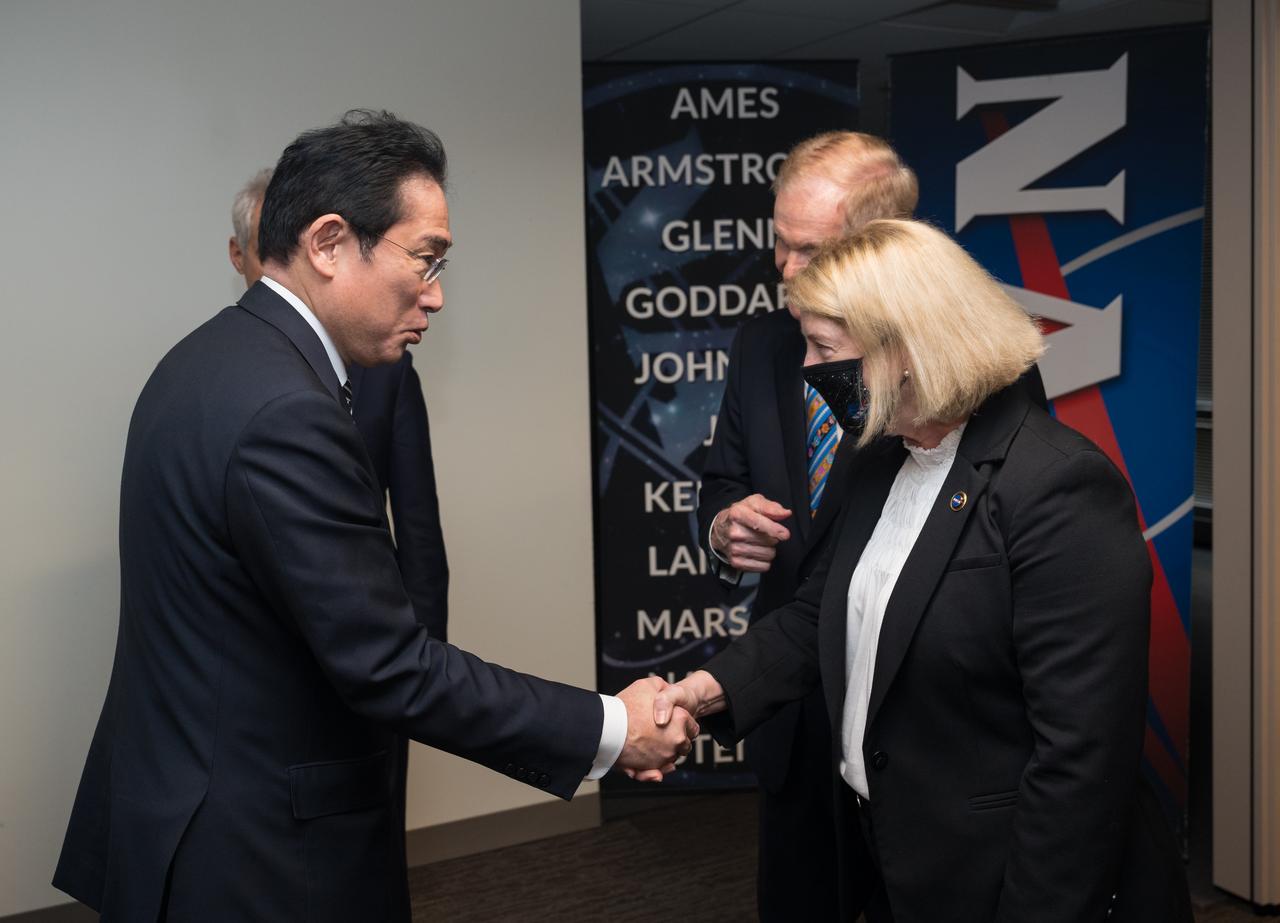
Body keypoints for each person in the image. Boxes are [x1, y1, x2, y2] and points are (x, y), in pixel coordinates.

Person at [52, 110, 697, 923]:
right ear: (329, 243)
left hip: (179, 810)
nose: (436, 293)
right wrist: (610, 725)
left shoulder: (200, 361)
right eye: (425, 259)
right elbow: (389, 664)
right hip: (258, 851)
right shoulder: (288, 409)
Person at [663, 219, 1192, 922]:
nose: (807, 369)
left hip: (1010, 881)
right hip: (898, 860)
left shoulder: (1059, 489)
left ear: (905, 350)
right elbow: (819, 615)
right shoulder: (879, 459)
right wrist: (702, 692)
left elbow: (1082, 762)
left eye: (824, 349)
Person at [696, 131, 919, 920]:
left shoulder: (953, 369)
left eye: (811, 251)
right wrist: (723, 527)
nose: (785, 270)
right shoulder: (762, 344)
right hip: (792, 719)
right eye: (779, 243)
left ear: (880, 248)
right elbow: (722, 479)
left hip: (910, 725)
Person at [231, 168, 453, 899]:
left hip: (383, 670)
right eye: (424, 261)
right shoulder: (257, 395)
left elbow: (418, 534)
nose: (433, 296)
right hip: (285, 713)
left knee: (368, 858)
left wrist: (425, 672)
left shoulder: (386, 371)